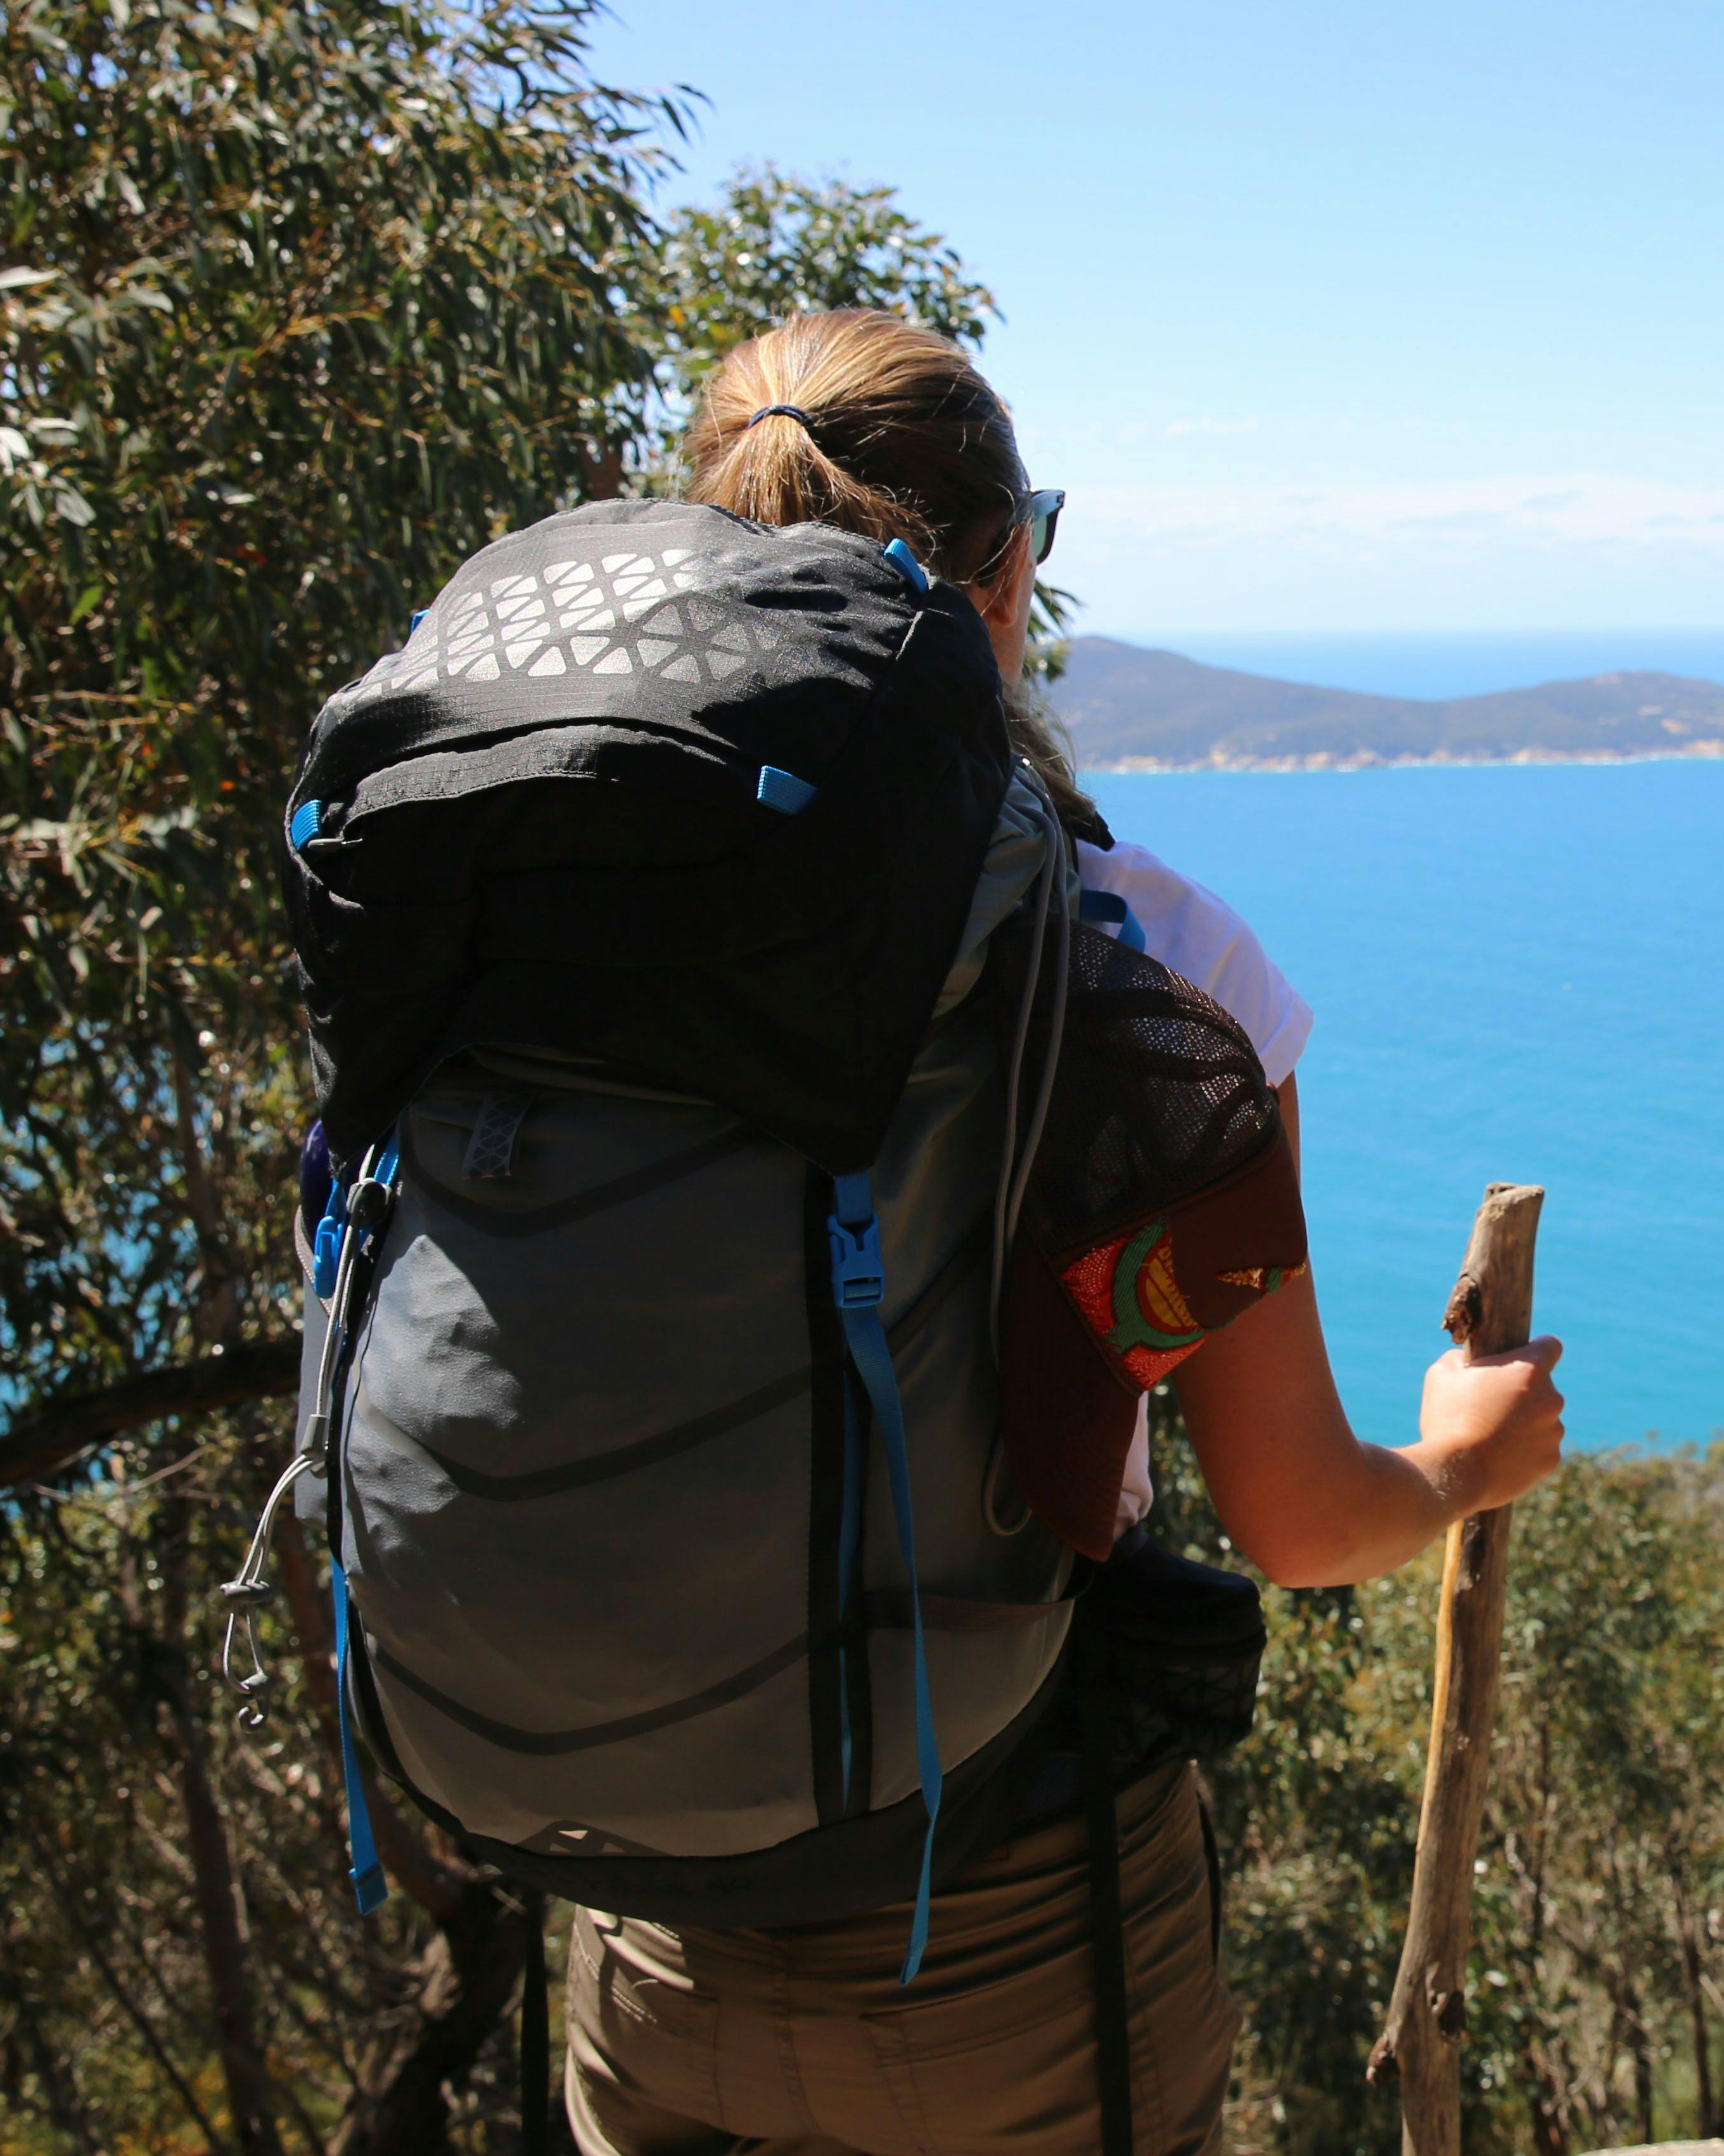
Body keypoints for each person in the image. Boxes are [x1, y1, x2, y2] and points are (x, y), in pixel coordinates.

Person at [558, 309, 1568, 2156]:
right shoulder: (1149, 963)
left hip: (646, 1914)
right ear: (1014, 568)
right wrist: (1457, 1462)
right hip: (1009, 1933)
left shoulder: (562, 913)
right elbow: (1294, 1516)